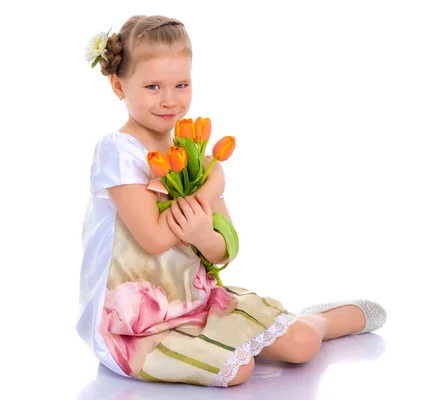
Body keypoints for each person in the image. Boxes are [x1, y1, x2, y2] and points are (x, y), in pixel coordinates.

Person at [76, 14, 387, 388]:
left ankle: (315, 320)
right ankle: (265, 331)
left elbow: (224, 248)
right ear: (117, 85)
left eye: (182, 84)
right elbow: (154, 240)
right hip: (133, 324)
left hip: (195, 300)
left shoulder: (192, 152)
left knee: (303, 345)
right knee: (238, 371)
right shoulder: (118, 150)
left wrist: (205, 229)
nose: (170, 100)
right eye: (153, 86)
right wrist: (209, 188)